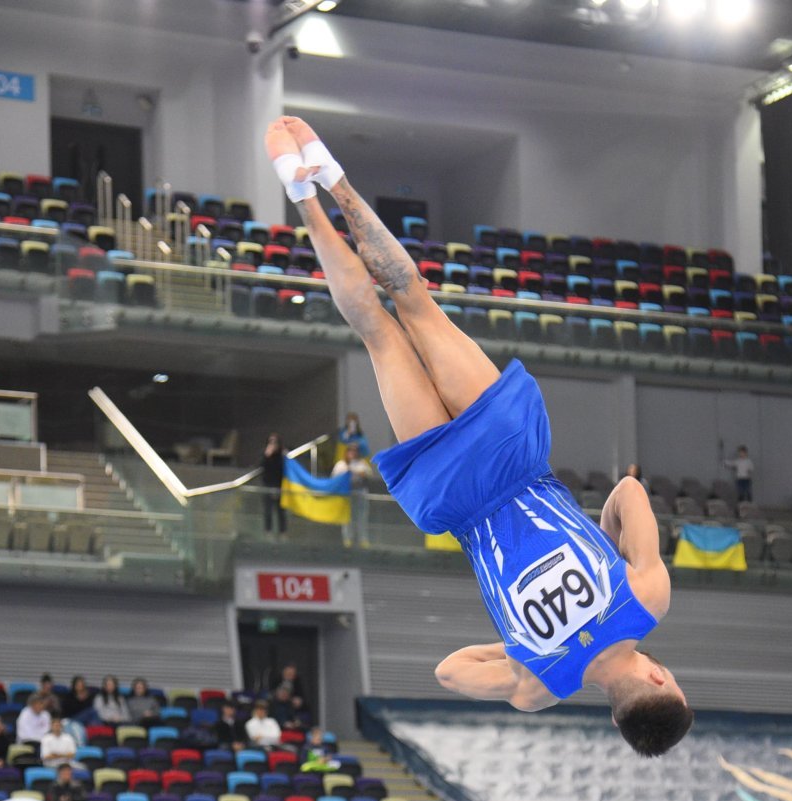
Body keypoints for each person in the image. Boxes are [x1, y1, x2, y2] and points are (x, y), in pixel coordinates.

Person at [265, 117, 689, 757]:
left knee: (413, 301)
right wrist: (522, 650)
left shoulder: (646, 598)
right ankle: (303, 201)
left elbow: (629, 490)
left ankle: (336, 184)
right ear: (617, 716)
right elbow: (450, 670)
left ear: (660, 678)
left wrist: (601, 539)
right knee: (378, 335)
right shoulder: (536, 685)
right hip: (454, 496)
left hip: (511, 455)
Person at [331, 442, 376, 548]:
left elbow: (368, 474)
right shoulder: (341, 464)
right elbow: (334, 477)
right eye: (350, 450)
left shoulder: (362, 463)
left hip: (360, 492)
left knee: (362, 517)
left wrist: (356, 472)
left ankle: (363, 540)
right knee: (347, 519)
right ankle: (348, 539)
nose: (353, 453)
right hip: (346, 494)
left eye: (355, 451)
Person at [259, 433, 287, 538]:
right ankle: (268, 531)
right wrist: (267, 455)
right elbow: (262, 467)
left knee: (281, 511)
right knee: (268, 510)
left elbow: (282, 469)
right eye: (271, 442)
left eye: (275, 442)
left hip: (280, 486)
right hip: (268, 485)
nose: (273, 444)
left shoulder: (282, 456)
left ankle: (283, 532)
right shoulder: (266, 455)